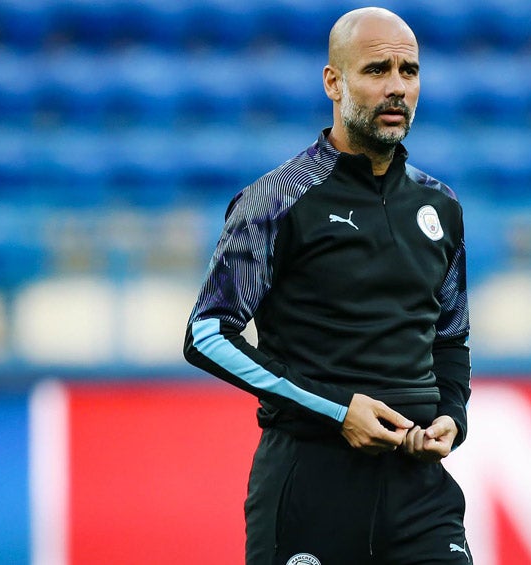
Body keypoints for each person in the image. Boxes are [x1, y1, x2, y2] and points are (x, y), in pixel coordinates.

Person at [183, 7, 472, 565]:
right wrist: (339, 410)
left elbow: (450, 337)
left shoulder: (442, 206)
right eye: (376, 70)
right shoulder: (276, 199)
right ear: (333, 82)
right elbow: (207, 333)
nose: (395, 88)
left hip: (419, 492)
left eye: (408, 72)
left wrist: (452, 419)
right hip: (310, 486)